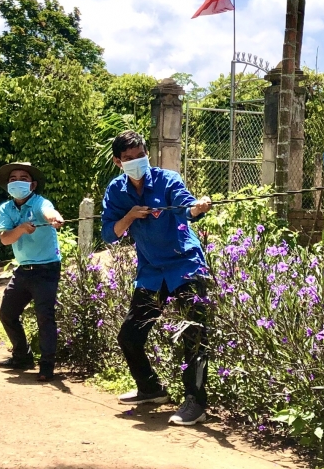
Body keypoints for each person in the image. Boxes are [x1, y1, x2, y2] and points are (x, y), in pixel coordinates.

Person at [100, 130, 213, 427]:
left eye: (140, 156)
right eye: (128, 159)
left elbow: (185, 205)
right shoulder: (116, 191)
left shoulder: (168, 179)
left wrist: (195, 208)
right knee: (130, 336)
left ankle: (196, 404)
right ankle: (150, 388)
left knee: (195, 336)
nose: (136, 162)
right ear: (117, 162)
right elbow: (108, 234)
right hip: (152, 272)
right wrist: (129, 217)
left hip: (185, 265)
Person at [0, 161, 65, 382]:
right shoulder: (5, 209)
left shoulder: (40, 202)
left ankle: (47, 365)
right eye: (13, 178)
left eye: (23, 179)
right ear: (7, 185)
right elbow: (5, 239)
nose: (17, 182)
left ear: (33, 185)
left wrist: (54, 218)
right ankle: (22, 356)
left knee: (45, 317)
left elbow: (48, 211)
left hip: (47, 269)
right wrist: (21, 228)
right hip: (23, 270)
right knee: (7, 313)